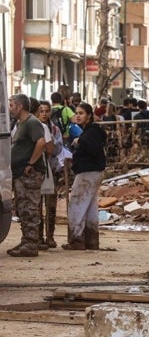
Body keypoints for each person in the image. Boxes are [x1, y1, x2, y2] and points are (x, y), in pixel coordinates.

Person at [8, 94, 47, 257]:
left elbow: (41, 142)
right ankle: (26, 241)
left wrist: (31, 163)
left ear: (20, 106)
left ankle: (31, 244)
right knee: (23, 208)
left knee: (30, 208)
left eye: (11, 105)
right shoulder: (21, 123)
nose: (9, 108)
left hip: (29, 174)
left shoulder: (32, 123)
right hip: (20, 174)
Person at [64, 102, 106, 251]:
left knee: (77, 203)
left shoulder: (91, 133)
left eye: (81, 113)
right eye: (77, 113)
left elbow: (92, 148)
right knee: (89, 206)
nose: (78, 116)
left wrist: (80, 142)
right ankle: (91, 240)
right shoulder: (91, 131)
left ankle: (76, 239)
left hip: (88, 172)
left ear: (89, 115)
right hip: (94, 171)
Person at [34, 100, 65, 249]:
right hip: (37, 170)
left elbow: (56, 149)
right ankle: (39, 237)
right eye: (41, 111)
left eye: (47, 111)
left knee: (51, 205)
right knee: (37, 205)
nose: (44, 114)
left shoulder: (54, 130)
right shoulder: (34, 127)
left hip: (52, 170)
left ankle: (50, 237)